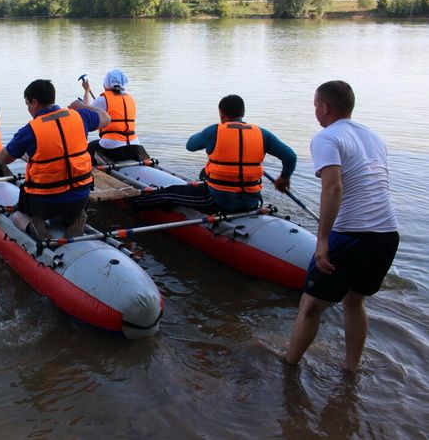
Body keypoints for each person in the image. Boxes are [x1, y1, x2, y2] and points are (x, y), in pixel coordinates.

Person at [285, 80, 399, 372]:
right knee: (354, 301)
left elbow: (333, 188)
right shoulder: (373, 137)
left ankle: (288, 366)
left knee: (310, 306)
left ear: (325, 107)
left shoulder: (326, 138)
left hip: (352, 235)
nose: (314, 111)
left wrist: (322, 240)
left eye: (314, 105)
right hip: (387, 234)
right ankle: (351, 369)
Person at [133, 94, 296, 213]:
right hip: (252, 200)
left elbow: (190, 145)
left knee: (170, 192)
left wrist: (211, 141)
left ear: (221, 113)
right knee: (204, 173)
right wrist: (284, 178)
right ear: (243, 113)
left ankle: (132, 204)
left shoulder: (215, 130)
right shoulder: (262, 133)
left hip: (218, 201)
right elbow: (290, 157)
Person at [0, 79, 111, 239]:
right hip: (81, 197)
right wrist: (84, 106)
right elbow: (106, 117)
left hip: (43, 202)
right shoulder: (79, 116)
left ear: (34, 102)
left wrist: (16, 152)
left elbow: (3, 159)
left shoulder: (30, 130)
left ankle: (35, 227)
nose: (28, 108)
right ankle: (76, 216)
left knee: (17, 215)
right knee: (69, 201)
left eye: (27, 104)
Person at [80, 69, 150, 163]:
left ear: (106, 84)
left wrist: (86, 91)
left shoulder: (102, 99)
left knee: (88, 149)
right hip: (134, 146)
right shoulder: (130, 98)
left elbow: (86, 113)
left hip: (112, 148)